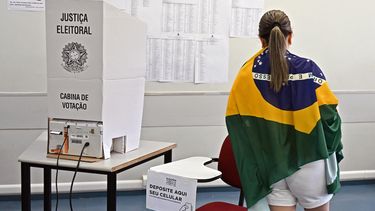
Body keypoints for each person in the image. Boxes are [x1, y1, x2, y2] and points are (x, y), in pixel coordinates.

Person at [225, 10, 343, 211]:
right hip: (308, 159)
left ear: (261, 39)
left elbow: (236, 121)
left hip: (272, 162)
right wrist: (332, 147)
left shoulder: (246, 74)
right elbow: (330, 117)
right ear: (290, 36)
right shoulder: (309, 69)